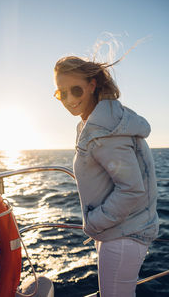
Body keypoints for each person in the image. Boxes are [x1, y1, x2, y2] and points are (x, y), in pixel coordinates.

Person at [53, 55, 159, 297]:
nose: (69, 100)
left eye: (75, 90)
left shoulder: (104, 130)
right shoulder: (99, 122)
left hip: (122, 235)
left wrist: (94, 223)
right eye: (62, 93)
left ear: (92, 85)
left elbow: (131, 189)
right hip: (119, 229)